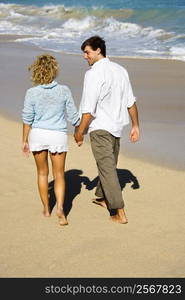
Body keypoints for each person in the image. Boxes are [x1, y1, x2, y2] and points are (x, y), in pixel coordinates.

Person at [74, 36, 140, 224]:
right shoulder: (121, 70)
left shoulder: (93, 73)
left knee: (107, 169)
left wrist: (79, 131)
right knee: (108, 166)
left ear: (98, 50)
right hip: (117, 128)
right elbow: (131, 101)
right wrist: (135, 125)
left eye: (87, 52)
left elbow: (89, 107)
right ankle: (103, 197)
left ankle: (119, 212)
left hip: (100, 128)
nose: (84, 56)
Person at [22, 54, 80, 226]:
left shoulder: (31, 92)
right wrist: (80, 129)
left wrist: (24, 141)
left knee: (42, 173)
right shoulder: (64, 90)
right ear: (54, 70)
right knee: (59, 174)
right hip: (57, 135)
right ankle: (60, 208)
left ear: (37, 70)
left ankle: (47, 209)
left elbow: (27, 118)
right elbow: (73, 116)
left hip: (38, 134)